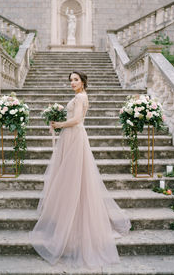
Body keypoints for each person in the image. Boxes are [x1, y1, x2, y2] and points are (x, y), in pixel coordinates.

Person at [29, 71, 131, 270]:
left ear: (83, 81)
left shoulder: (80, 96)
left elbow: (76, 120)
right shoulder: (82, 96)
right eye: (70, 80)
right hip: (73, 136)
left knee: (72, 177)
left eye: (76, 80)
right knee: (73, 178)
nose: (72, 83)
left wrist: (59, 124)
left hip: (74, 135)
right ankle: (70, 218)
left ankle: (73, 225)